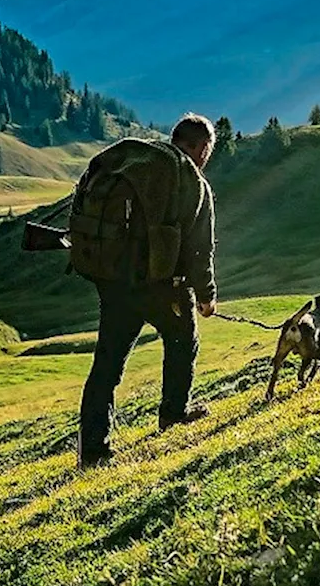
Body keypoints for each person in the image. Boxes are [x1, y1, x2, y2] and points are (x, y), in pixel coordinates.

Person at [75, 113, 218, 468]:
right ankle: (174, 413)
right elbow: (200, 249)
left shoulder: (133, 159)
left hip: (114, 281)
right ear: (202, 148)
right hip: (163, 286)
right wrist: (206, 294)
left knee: (107, 364)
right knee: (183, 342)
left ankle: (93, 450)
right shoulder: (190, 180)